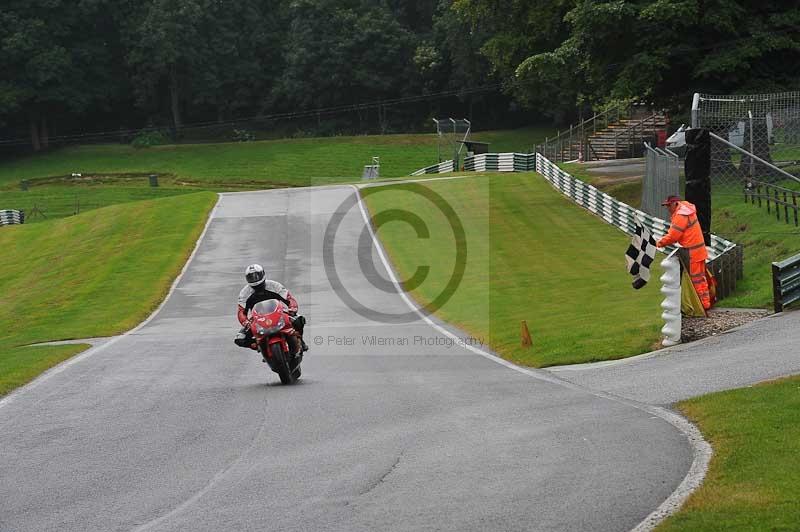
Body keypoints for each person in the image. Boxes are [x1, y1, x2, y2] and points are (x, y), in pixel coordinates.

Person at [234, 264, 308, 352]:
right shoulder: (244, 293)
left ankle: (300, 340)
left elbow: (289, 298)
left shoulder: (274, 285)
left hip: (279, 313)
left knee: (299, 320)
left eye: (257, 275)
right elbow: (241, 311)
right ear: (247, 278)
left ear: (263, 274)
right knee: (239, 339)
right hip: (257, 319)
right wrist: (245, 322)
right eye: (251, 277)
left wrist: (293, 308)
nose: (255, 278)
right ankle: (259, 346)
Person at [655, 195, 712, 310]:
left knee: (696, 280)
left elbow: (673, 236)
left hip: (693, 253)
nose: (668, 208)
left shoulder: (681, 215)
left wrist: (657, 243)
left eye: (668, 205)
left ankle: (702, 306)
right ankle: (704, 303)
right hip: (699, 251)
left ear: (675, 203)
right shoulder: (686, 208)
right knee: (700, 279)